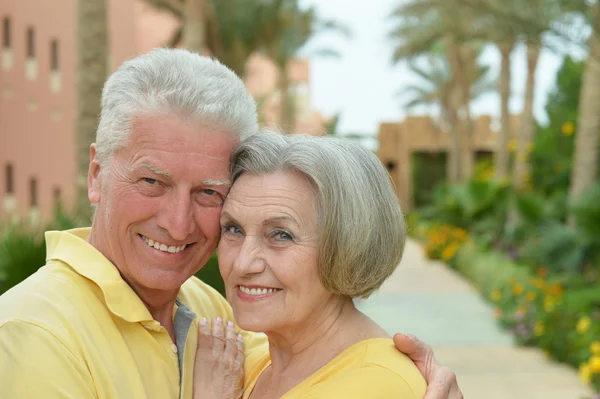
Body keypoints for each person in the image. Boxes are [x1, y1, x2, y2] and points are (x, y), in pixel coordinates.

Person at [0, 48, 462, 399]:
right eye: (152, 181)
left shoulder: (211, 313)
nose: (179, 225)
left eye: (208, 193)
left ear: (346, 243)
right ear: (97, 175)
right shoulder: (31, 332)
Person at [193, 132, 424, 398]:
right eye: (233, 229)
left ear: (346, 246)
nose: (243, 263)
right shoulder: (249, 360)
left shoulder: (375, 386)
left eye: (281, 235)